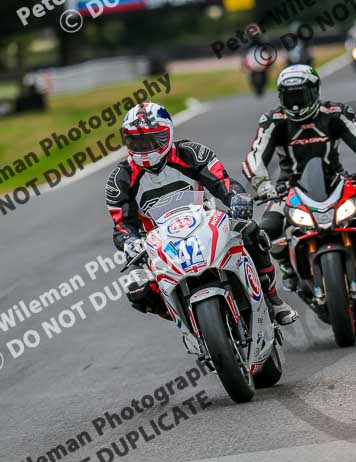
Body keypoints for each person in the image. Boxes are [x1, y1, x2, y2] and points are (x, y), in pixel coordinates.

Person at [105, 102, 298, 326]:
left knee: (252, 231)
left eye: (151, 140)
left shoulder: (191, 153)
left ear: (167, 134)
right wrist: (129, 241)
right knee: (137, 289)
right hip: (158, 244)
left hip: (205, 224)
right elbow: (121, 225)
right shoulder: (121, 178)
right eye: (135, 140)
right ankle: (186, 322)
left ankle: (273, 298)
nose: (144, 147)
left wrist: (236, 197)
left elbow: (223, 183)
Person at [242, 65, 356, 291]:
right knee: (267, 229)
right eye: (289, 96)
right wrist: (263, 183)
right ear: (280, 97)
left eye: (301, 95)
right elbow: (256, 155)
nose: (296, 104)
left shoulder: (334, 113)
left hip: (337, 180)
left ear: (315, 91)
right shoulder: (273, 121)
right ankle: (287, 266)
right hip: (289, 188)